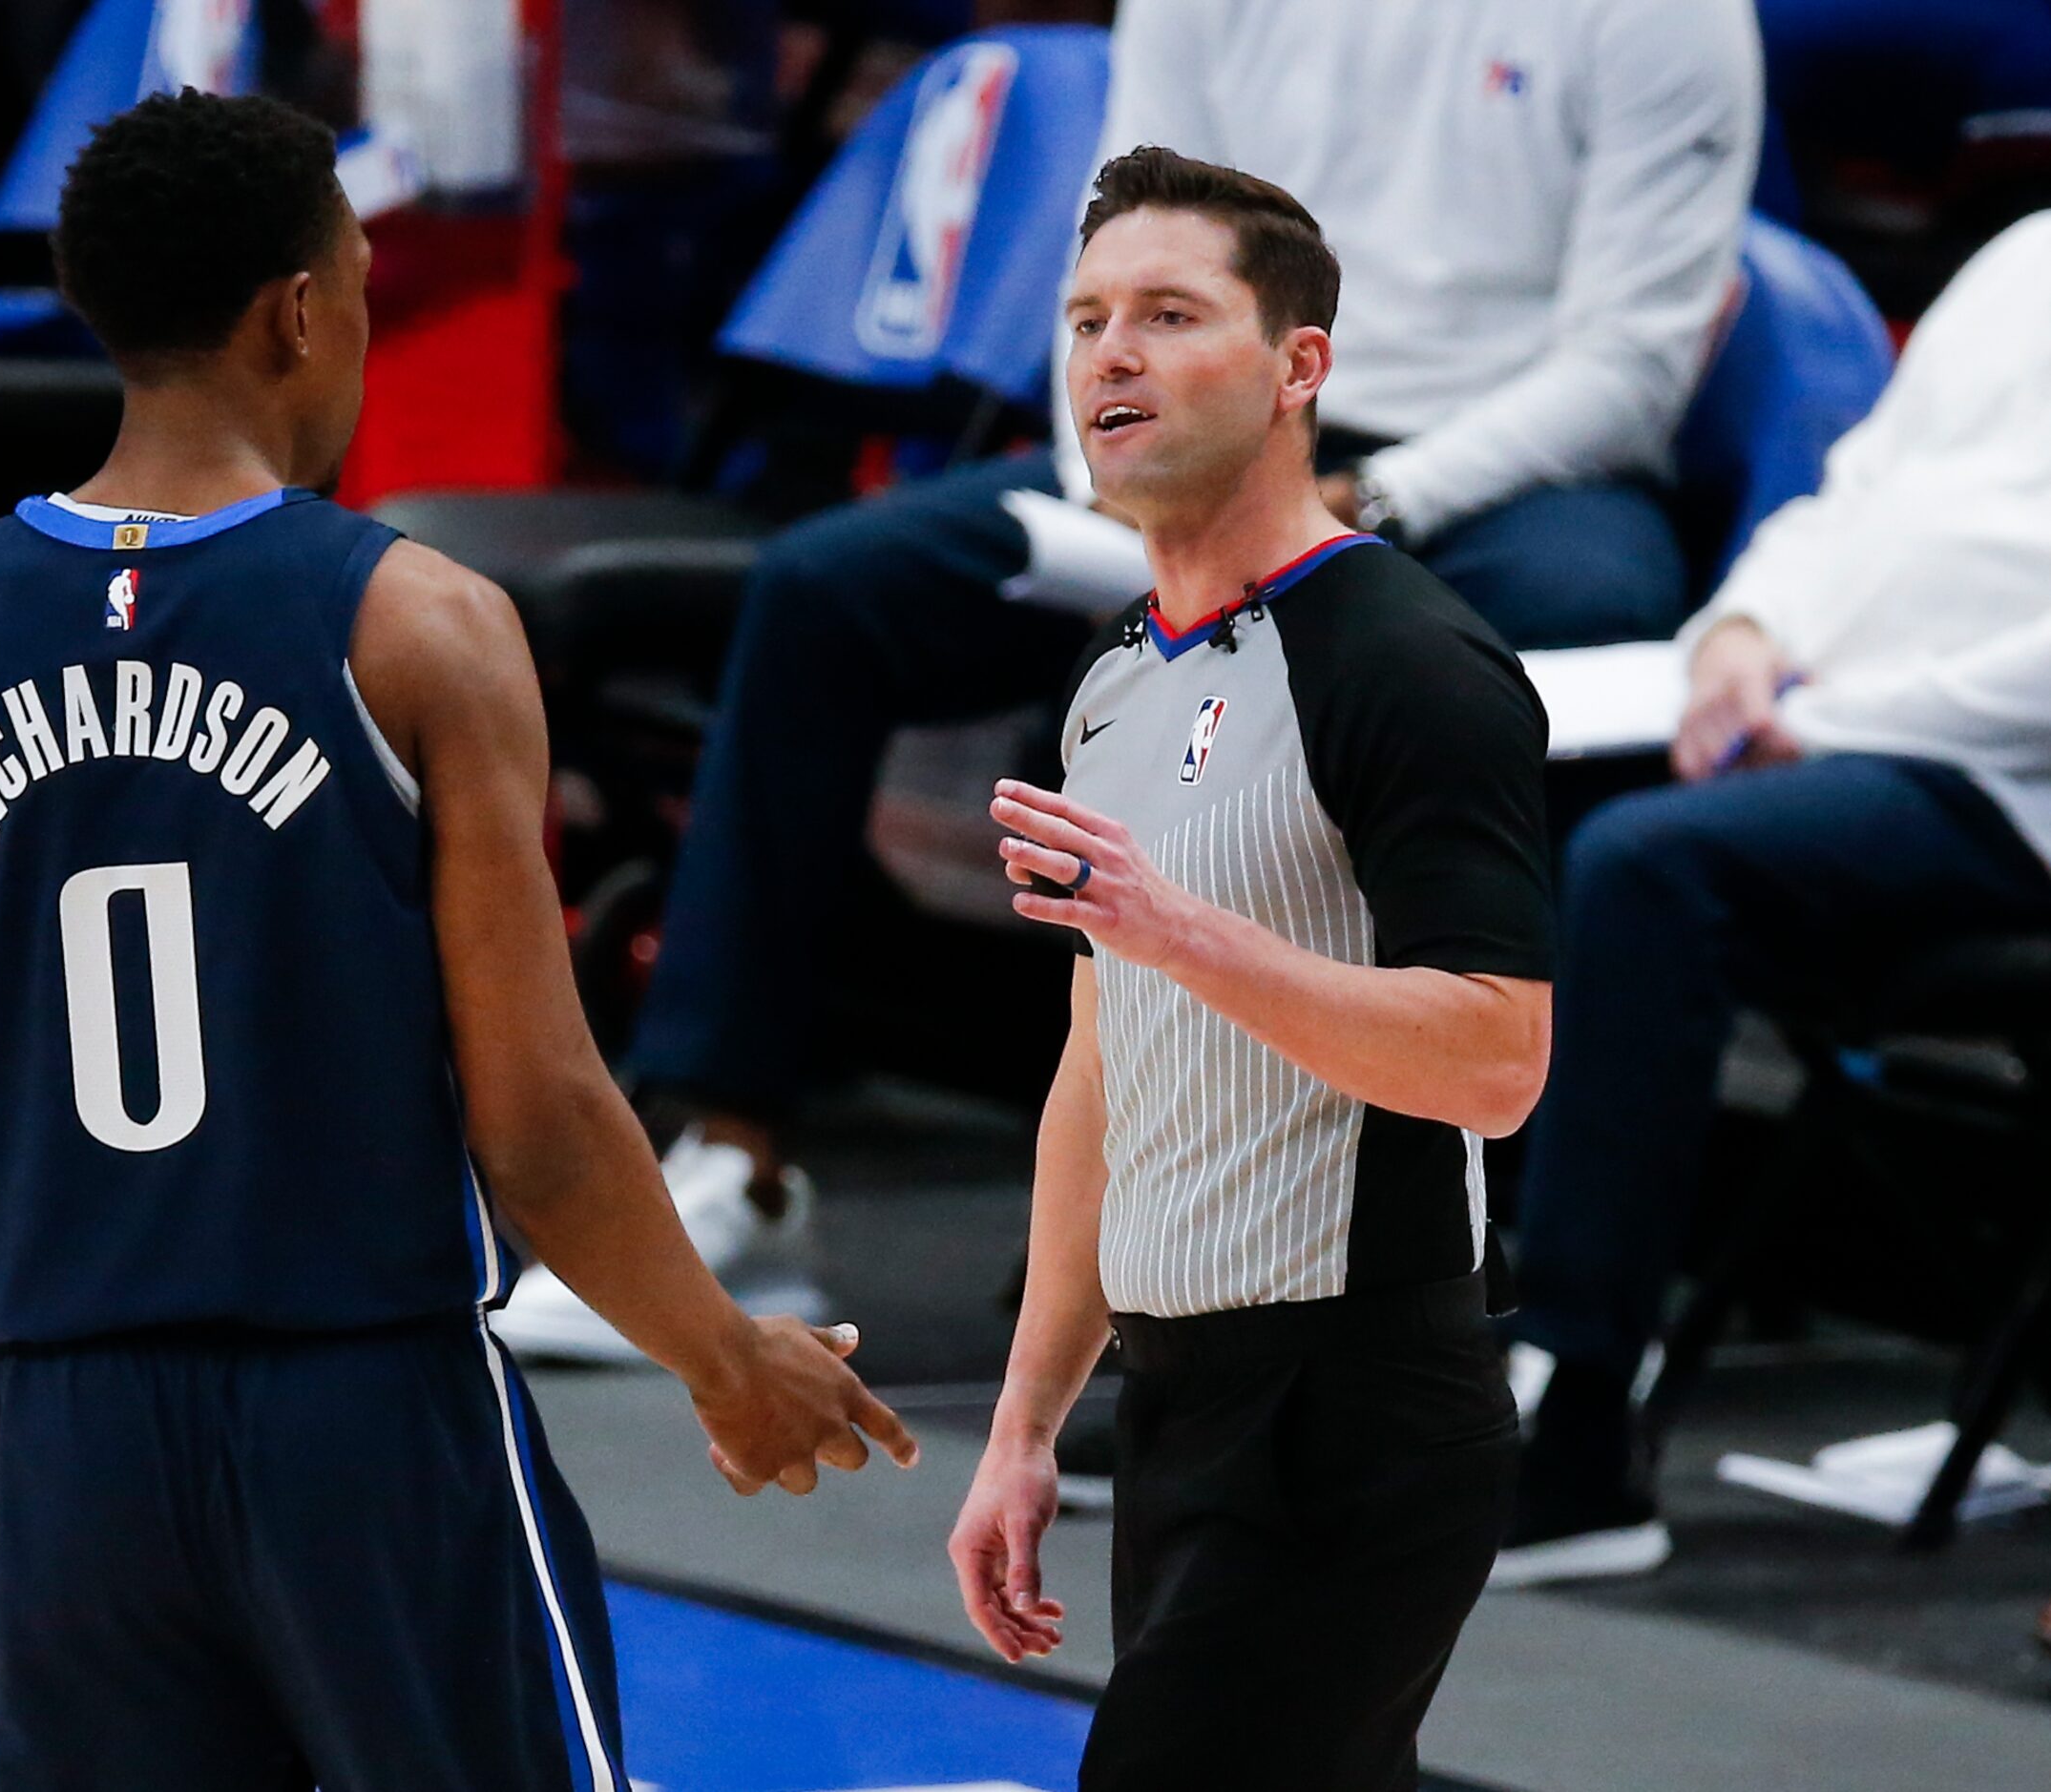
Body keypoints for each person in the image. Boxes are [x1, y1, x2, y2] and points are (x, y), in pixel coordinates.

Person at [0, 91, 915, 1790]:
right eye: (362, 287)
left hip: (71, 1435)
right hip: (369, 1418)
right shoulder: (420, 626)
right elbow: (533, 1113)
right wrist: (720, 1354)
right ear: (297, 311)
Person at [493, 0, 1756, 1363]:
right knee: (824, 595)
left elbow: (1627, 369)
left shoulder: (1666, 18)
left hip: (1498, 473)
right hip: (1214, 419)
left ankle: (1469, 1272)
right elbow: (1115, 257)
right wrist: (1114, 455)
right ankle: (727, 1168)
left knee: (1576, 641)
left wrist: (1363, 497)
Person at [947, 146, 1554, 1790]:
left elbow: (1498, 1057)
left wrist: (1178, 929)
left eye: (1166, 313)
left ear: (1300, 366)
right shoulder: (1108, 689)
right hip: (1178, 1399)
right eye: (1083, 320)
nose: (1109, 357)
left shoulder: (1410, 663)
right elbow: (1103, 1059)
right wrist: (1020, 1428)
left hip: (1355, 1404)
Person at [1496, 209, 2051, 1587]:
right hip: (1837, 727)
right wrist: (1739, 636)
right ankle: (1373, 1344)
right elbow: (1853, 492)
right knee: (1480, 774)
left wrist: (1846, 713)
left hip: (2001, 779)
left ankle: (1568, 1422)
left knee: (1649, 866)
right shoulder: (2024, 253)